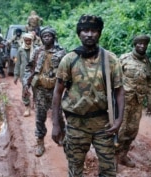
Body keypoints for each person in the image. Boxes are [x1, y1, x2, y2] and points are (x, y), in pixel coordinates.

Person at [51, 14, 125, 177]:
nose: (89, 34)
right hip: (76, 123)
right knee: (75, 168)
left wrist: (119, 120)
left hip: (103, 124)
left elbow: (119, 91)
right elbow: (57, 92)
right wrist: (56, 124)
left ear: (99, 33)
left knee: (108, 169)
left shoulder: (110, 59)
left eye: (94, 30)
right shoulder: (69, 60)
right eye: (85, 30)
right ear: (79, 33)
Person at [23, 26, 66, 157]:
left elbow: (68, 70)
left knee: (58, 115)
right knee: (40, 117)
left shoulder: (61, 52)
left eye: (50, 36)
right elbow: (29, 68)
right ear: (41, 38)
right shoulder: (37, 51)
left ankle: (63, 138)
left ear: (54, 37)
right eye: (44, 36)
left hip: (55, 89)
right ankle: (40, 142)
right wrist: (26, 83)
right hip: (40, 89)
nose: (47, 38)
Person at [116, 35, 151, 168]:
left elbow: (149, 83)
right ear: (135, 44)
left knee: (132, 131)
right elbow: (114, 79)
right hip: (123, 102)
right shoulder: (124, 59)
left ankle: (122, 156)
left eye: (145, 44)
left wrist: (150, 102)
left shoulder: (147, 62)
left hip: (137, 102)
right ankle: (111, 159)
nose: (142, 46)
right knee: (119, 130)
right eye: (139, 43)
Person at [14, 32, 35, 117]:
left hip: (33, 73)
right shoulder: (20, 50)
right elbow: (18, 63)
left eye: (29, 40)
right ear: (24, 40)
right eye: (26, 40)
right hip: (24, 74)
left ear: (32, 40)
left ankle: (35, 104)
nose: (28, 42)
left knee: (36, 90)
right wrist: (16, 75)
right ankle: (27, 107)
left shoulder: (36, 49)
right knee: (25, 90)